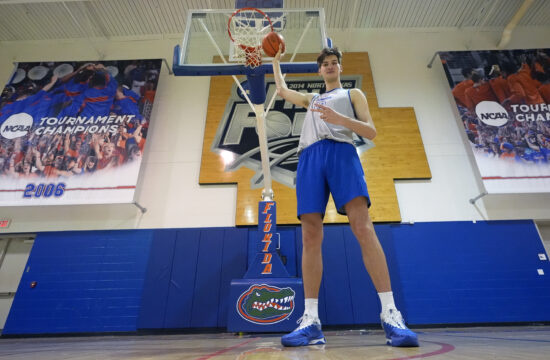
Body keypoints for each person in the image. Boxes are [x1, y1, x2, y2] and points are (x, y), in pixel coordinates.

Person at [272, 47, 419, 348]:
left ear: (340, 68)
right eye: (324, 64)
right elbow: (283, 91)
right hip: (310, 157)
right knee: (310, 236)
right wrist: (275, 60)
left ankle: (391, 314)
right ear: (319, 70)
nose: (329, 67)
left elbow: (371, 131)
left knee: (362, 227)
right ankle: (310, 321)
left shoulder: (353, 94)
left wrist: (341, 118)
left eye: (333, 63)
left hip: (342, 152)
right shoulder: (311, 99)